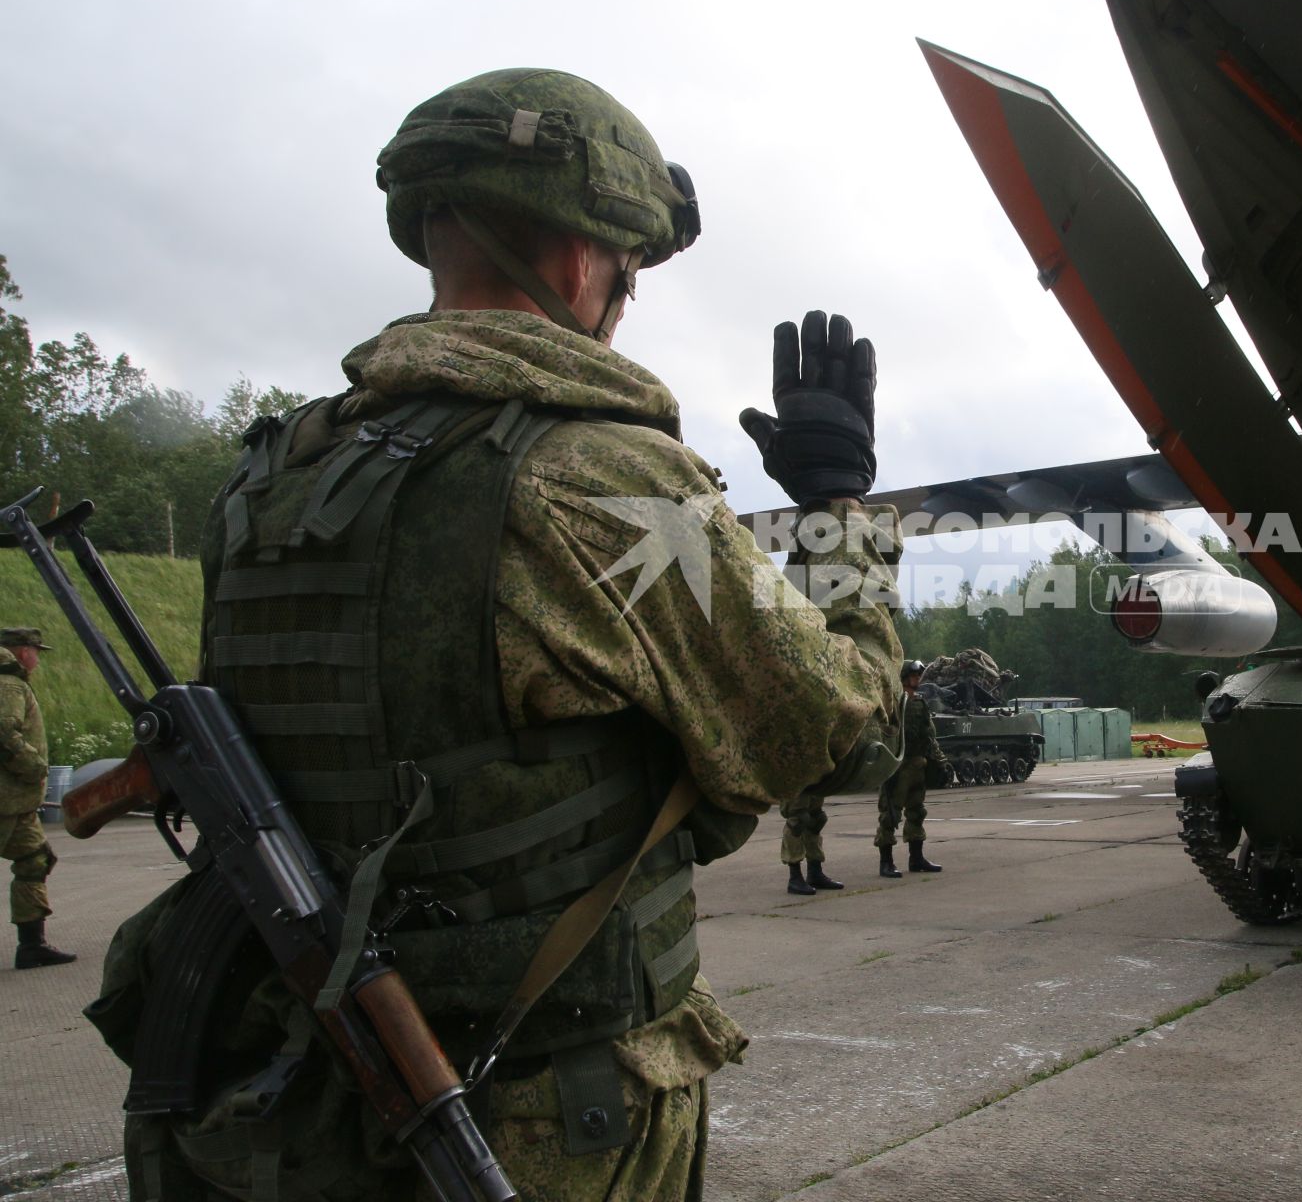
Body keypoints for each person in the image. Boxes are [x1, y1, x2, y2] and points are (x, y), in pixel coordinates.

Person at [89, 69, 900, 1201]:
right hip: (537, 1113)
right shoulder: (603, 478)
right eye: (627, 271)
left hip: (296, 1102)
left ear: (432, 230)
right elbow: (840, 736)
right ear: (582, 259)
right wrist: (840, 513)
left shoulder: (273, 475)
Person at [1, 627, 77, 970]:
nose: (37, 659)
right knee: (34, 862)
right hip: (6, 800)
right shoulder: (8, 684)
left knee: (35, 861)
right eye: (35, 651)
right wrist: (35, 766)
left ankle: (32, 946)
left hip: (17, 804)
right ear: (21, 651)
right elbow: (3, 732)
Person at [876, 660, 955, 877]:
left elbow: (929, 735)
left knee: (916, 812)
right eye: (913, 676)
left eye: (919, 676)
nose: (917, 679)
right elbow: (883, 732)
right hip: (898, 766)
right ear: (904, 677)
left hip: (917, 765)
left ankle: (916, 858)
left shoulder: (920, 702)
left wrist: (940, 760)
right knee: (890, 815)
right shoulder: (893, 702)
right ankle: (886, 862)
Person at [779, 792, 843, 894]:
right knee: (797, 820)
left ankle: (815, 873)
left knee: (816, 818)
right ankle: (795, 878)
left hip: (814, 779)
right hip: (796, 780)